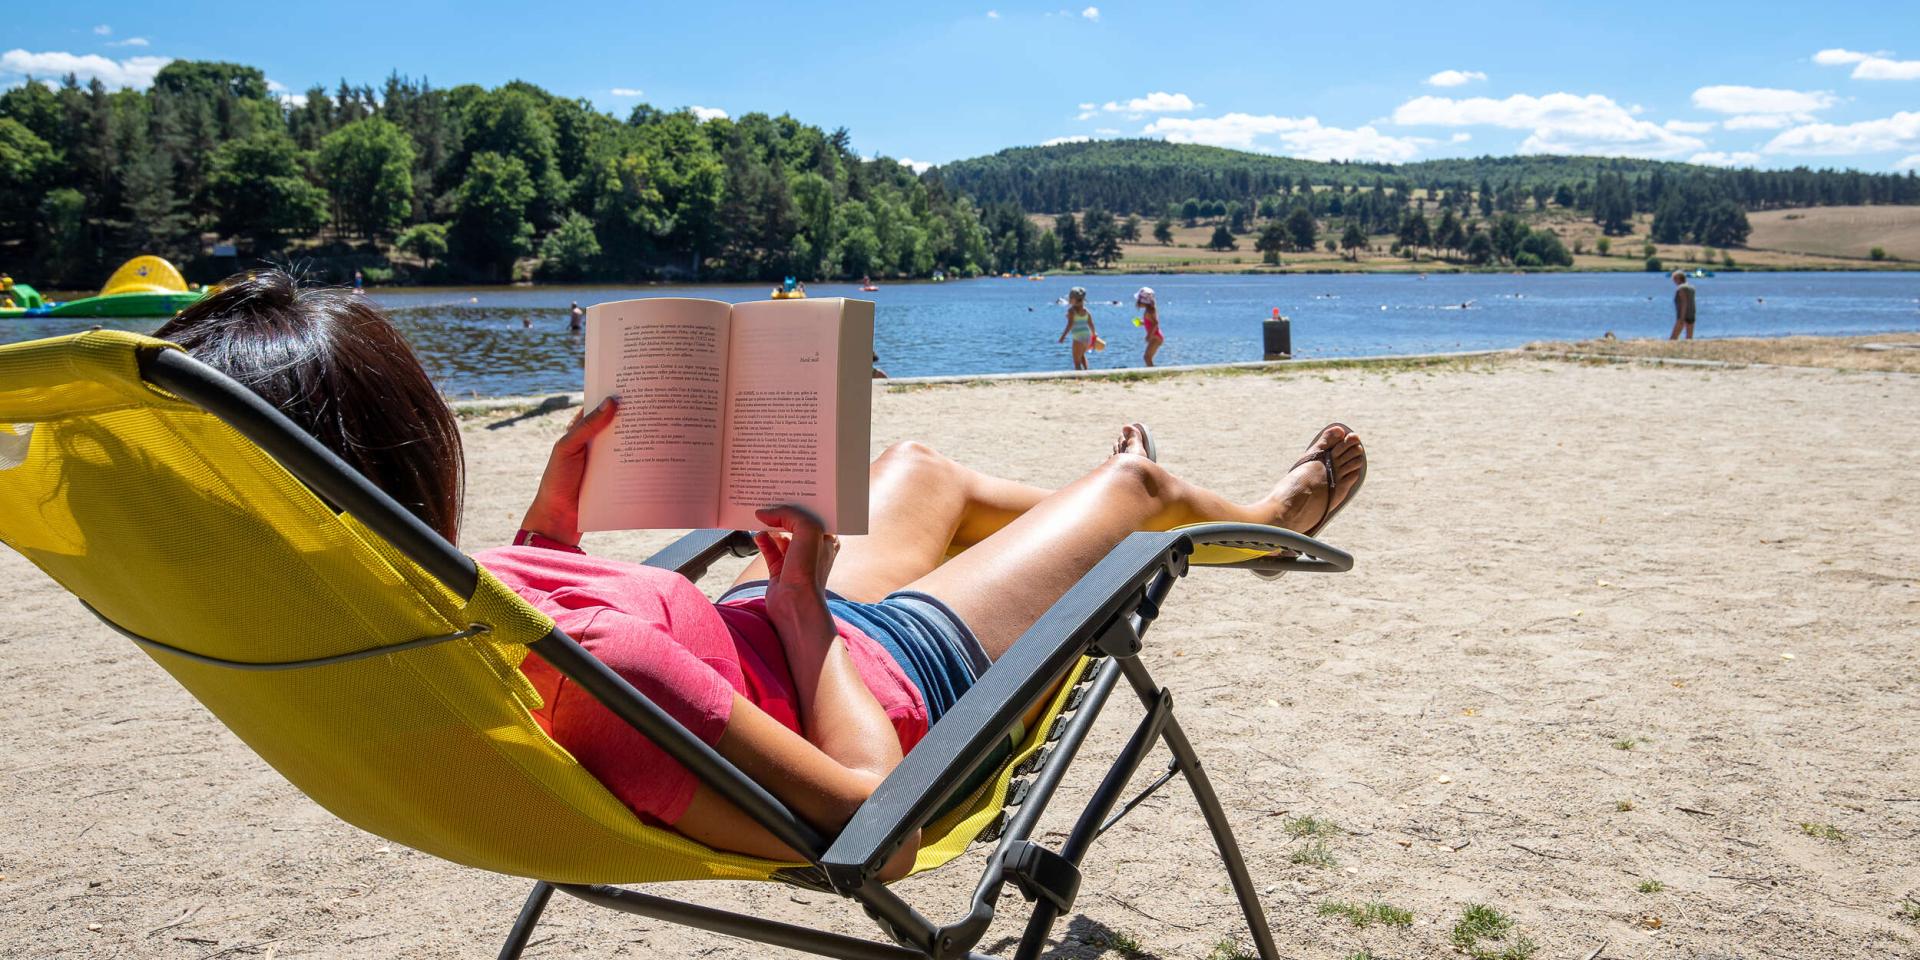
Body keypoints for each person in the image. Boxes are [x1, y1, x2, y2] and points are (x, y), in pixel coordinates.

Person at [153, 270, 1368, 876]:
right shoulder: (605, 662)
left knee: (915, 462)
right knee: (1140, 495)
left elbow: (564, 650)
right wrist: (802, 614)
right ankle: (1243, 519)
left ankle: (1097, 521)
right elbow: (876, 820)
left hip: (782, 632)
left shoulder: (391, 623)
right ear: (414, 452)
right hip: (877, 676)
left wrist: (554, 528)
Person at [1056, 286, 1098, 371]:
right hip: (1087, 337)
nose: (1068, 300)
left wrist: (1062, 337)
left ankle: (1079, 377)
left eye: (1070, 298)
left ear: (1073, 299)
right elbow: (1091, 324)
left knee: (1076, 361)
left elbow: (1070, 325)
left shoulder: (1072, 311)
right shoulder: (1086, 311)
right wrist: (1094, 334)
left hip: (1078, 338)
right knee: (1082, 355)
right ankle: (1087, 372)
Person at [1134, 286, 1165, 367]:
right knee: (1147, 357)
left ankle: (1153, 373)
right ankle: (1152, 371)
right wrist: (1142, 323)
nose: (1136, 302)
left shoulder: (1149, 311)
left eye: (1138, 300)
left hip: (1156, 337)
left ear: (1143, 301)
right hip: (1156, 336)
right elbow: (1151, 323)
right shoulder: (1149, 310)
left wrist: (1149, 335)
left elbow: (1155, 323)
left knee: (1147, 357)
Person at [1669, 270, 1696, 340]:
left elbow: (1684, 302)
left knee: (1673, 338)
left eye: (1674, 279)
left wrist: (1682, 318)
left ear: (1678, 279)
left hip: (1683, 315)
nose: (1674, 281)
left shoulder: (1681, 288)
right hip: (1691, 314)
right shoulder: (1692, 288)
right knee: (1689, 338)